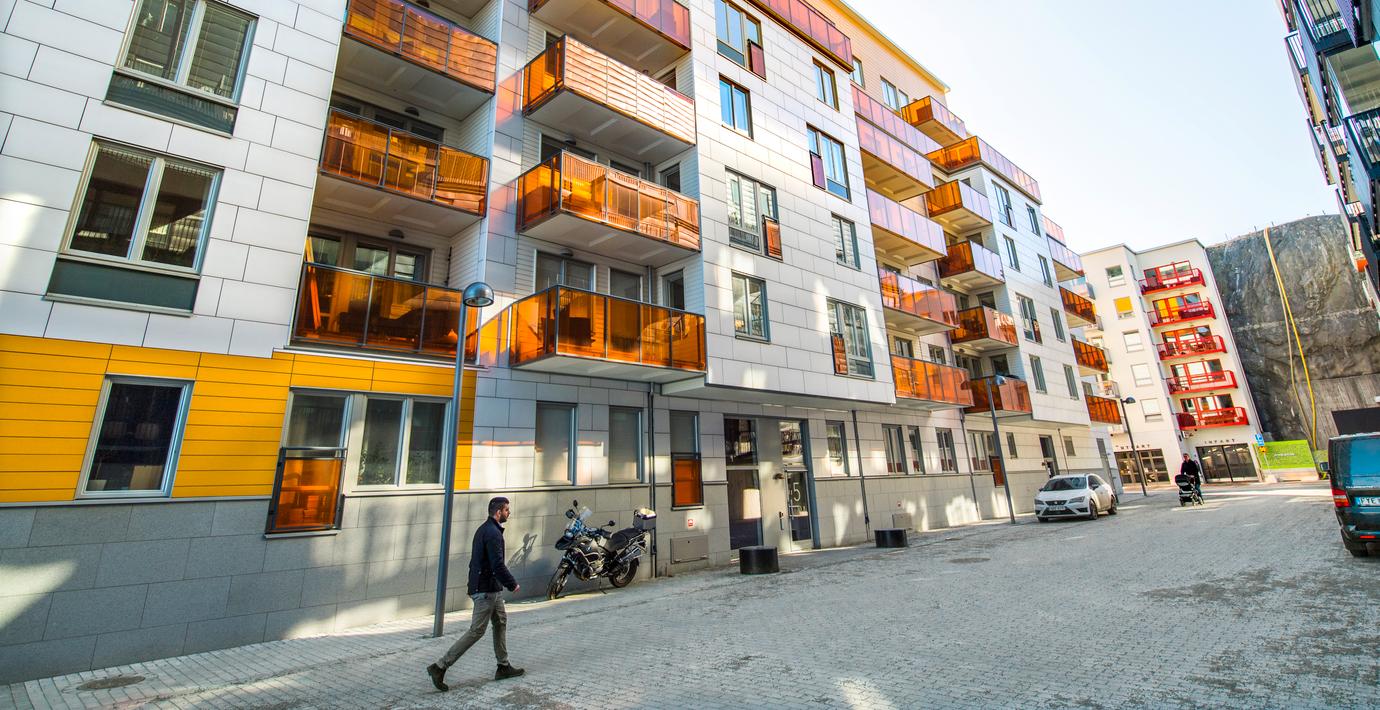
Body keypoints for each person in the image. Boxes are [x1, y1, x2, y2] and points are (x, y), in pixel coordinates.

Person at [427, 497, 524, 691]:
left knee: (500, 622)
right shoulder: (493, 533)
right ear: (498, 512)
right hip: (486, 590)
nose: (509, 513)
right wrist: (512, 584)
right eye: (506, 510)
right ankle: (440, 666)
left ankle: (503, 666)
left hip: (491, 589)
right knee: (476, 631)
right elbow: (497, 564)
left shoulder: (484, 529)